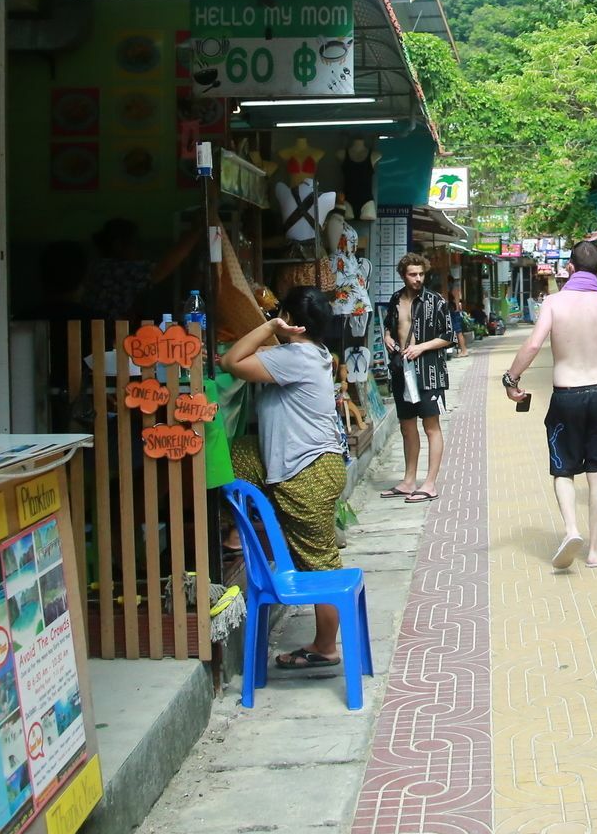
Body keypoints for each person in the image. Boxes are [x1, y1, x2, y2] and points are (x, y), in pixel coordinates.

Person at [221, 285, 351, 676]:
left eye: (283, 314)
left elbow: (231, 362)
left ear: (292, 322)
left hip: (306, 473)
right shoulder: (313, 353)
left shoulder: (296, 356)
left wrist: (269, 325)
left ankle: (326, 648)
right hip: (312, 465)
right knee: (237, 456)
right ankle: (235, 533)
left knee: (320, 567)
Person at [503, 240, 597, 570]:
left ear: (570, 268)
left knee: (563, 467)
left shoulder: (554, 302)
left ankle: (572, 530)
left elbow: (532, 345)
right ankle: (595, 550)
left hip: (566, 394)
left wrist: (511, 379)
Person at [381, 253, 454, 502]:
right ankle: (408, 480)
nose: (418, 279)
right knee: (406, 426)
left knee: (431, 426)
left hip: (429, 372)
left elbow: (448, 336)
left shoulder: (436, 301)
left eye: (421, 274)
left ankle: (430, 483)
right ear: (403, 275)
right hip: (402, 370)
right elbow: (389, 326)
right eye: (413, 274)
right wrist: (387, 338)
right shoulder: (395, 299)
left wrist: (422, 347)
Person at [81, 217, 202, 323]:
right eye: (135, 244)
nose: (139, 251)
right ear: (118, 245)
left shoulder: (98, 267)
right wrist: (197, 228)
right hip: (104, 338)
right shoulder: (116, 271)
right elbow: (162, 268)